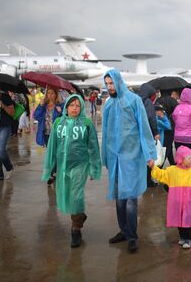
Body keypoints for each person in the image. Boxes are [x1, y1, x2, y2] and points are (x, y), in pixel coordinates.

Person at [102, 69, 157, 253]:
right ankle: (124, 231)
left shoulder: (134, 101)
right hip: (115, 158)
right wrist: (105, 156)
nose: (110, 87)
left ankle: (133, 236)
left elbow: (144, 128)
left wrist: (149, 154)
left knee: (131, 199)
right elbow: (106, 134)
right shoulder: (109, 104)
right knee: (119, 198)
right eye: (107, 84)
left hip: (132, 158)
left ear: (119, 81)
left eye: (112, 83)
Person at [41, 94, 101, 248]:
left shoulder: (86, 123)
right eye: (71, 105)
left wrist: (94, 167)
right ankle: (80, 216)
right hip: (63, 166)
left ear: (81, 107)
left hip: (80, 165)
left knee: (76, 196)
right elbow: (52, 146)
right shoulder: (58, 123)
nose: (74, 108)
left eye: (78, 105)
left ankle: (76, 229)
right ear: (66, 107)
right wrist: (49, 167)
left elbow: (93, 147)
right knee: (66, 196)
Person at [148, 146, 191, 249]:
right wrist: (153, 167)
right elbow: (161, 175)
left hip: (188, 201)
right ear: (181, 159)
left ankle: (187, 239)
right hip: (176, 201)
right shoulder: (172, 170)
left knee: (187, 220)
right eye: (188, 158)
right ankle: (182, 237)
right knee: (179, 220)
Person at [172, 88, 191, 168]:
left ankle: (179, 176)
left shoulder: (177, 108)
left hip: (178, 138)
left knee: (180, 158)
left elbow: (174, 119)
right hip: (190, 138)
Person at [139, 83, 159, 187]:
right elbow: (151, 118)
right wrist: (155, 132)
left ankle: (141, 180)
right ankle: (148, 181)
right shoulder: (148, 103)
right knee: (148, 156)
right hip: (147, 133)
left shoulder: (135, 101)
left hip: (136, 133)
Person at [156, 90, 180, 166]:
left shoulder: (158, 100)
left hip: (161, 127)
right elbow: (178, 112)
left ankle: (172, 162)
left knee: (166, 145)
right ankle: (161, 165)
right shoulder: (172, 100)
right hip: (170, 126)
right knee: (168, 146)